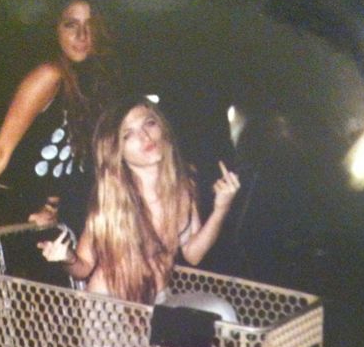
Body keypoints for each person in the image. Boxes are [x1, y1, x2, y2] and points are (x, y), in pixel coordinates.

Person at [0, 0, 120, 249]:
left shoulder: (85, 85)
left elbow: (65, 155)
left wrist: (50, 206)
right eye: (71, 25)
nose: (81, 35)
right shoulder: (48, 75)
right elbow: (0, 151)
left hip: (5, 199)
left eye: (90, 26)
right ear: (55, 30)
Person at [38, 96, 240, 308]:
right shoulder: (112, 201)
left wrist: (221, 208)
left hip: (159, 300)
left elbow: (193, 254)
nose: (145, 136)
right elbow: (84, 266)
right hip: (110, 306)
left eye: (149, 123)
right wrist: (67, 257)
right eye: (128, 134)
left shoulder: (183, 187)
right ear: (117, 151)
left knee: (221, 310)